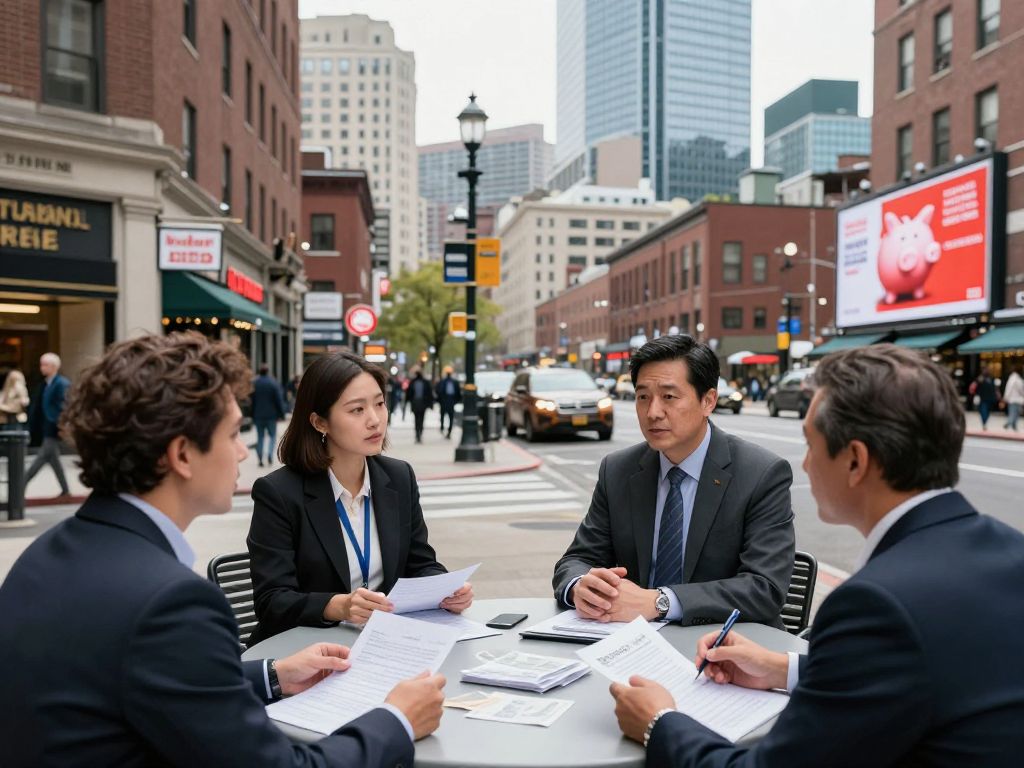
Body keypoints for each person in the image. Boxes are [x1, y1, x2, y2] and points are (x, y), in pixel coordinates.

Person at [0, 332, 446, 767]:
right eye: (234, 434)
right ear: (182, 455)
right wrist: (397, 719)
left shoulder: (47, 553)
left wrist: (272, 675)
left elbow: (163, 679)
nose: (243, 453)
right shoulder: (171, 602)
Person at [609, 344, 1024, 767]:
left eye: (810, 444)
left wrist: (659, 722)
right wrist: (783, 669)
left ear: (855, 461)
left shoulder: (874, 604)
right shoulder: (1011, 551)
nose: (805, 465)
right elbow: (927, 667)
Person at [553, 335, 795, 627]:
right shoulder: (618, 470)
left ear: (708, 401)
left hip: (726, 642)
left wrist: (660, 602)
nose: (653, 412)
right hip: (633, 640)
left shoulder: (761, 474)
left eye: (669, 397)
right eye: (643, 397)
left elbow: (764, 587)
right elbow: (577, 560)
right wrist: (580, 586)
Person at [246, 351, 472, 644]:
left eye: (379, 404)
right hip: (305, 650)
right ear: (320, 422)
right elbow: (272, 601)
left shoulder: (398, 477)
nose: (375, 420)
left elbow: (419, 563)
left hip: (382, 643)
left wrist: (446, 589)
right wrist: (339, 606)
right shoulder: (279, 493)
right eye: (357, 410)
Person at [23, 352, 70, 497]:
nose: (42, 367)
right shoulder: (45, 384)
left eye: (45, 364)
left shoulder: (61, 384)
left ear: (54, 366)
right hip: (47, 428)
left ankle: (20, 485)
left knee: (41, 457)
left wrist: (61, 424)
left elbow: (65, 406)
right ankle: (65, 490)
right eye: (41, 364)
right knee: (53, 460)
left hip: (54, 428)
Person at [252, 363, 287, 467]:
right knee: (272, 436)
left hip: (258, 415)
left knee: (260, 437)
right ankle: (270, 455)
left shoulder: (255, 383)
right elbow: (279, 400)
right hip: (271, 415)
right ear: (268, 371)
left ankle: (260, 458)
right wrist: (282, 413)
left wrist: (252, 414)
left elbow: (251, 400)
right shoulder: (273, 383)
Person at [405, 368, 434, 443]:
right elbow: (409, 393)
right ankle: (418, 434)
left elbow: (429, 394)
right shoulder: (413, 382)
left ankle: (419, 433)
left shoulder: (424, 382)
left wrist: (430, 404)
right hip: (415, 403)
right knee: (417, 419)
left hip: (422, 403)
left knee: (420, 419)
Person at [435, 367, 462, 439]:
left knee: (451, 417)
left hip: (451, 402)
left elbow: (458, 392)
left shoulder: (454, 382)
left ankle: (449, 431)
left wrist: (456, 401)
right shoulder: (442, 382)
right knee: (443, 416)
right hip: (444, 401)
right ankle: (442, 427)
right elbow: (438, 391)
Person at [1003, 366, 1023, 431]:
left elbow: (1008, 389)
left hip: (1013, 399)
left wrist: (1006, 397)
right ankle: (1010, 423)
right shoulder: (1017, 379)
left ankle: (1012, 424)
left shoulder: (1013, 379)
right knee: (1015, 413)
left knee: (1013, 412)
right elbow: (1021, 390)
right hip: (1017, 399)